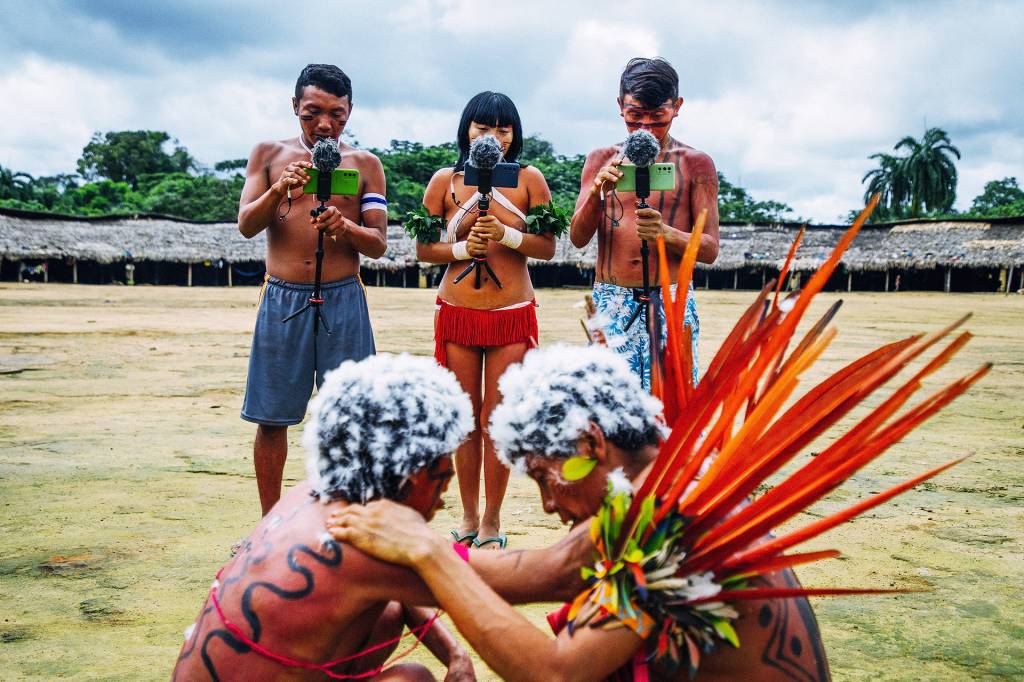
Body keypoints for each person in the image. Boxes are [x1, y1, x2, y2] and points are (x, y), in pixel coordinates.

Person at [328, 346, 830, 681]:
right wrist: (398, 549)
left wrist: (428, 552)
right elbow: (547, 570)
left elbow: (558, 673)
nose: (548, 504)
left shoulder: (665, 524)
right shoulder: (663, 486)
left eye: (546, 478)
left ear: (590, 442)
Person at [175, 352, 598, 681]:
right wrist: (634, 496)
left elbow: (392, 582)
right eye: (443, 481)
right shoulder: (355, 543)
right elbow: (556, 574)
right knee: (411, 679)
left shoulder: (315, 496)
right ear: (415, 476)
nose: (440, 504)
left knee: (398, 631)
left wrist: (454, 653)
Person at [402, 91, 565, 550]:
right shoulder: (444, 181)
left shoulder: (531, 180)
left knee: (497, 417)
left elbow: (549, 246)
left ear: (514, 135)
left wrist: (509, 235)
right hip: (458, 315)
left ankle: (493, 520)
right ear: (465, 130)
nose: (491, 136)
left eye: (502, 129)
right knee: (465, 418)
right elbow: (422, 249)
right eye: (482, 127)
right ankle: (470, 516)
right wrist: (461, 250)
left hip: (512, 315)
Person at [237, 64, 388, 515]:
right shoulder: (268, 154)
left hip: (344, 295)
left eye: (337, 115)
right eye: (312, 113)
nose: (325, 124)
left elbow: (378, 244)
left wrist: (345, 226)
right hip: (283, 295)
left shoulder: (365, 165)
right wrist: (279, 189)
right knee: (272, 416)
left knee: (353, 416)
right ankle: (270, 524)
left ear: (350, 111)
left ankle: (347, 519)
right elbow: (247, 225)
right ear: (294, 107)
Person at [570, 57, 720, 389]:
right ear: (619, 106)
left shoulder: (695, 164)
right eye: (635, 117)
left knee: (670, 409)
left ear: (677, 107)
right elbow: (578, 238)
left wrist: (666, 233)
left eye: (657, 118)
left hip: (671, 297)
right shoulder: (600, 159)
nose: (645, 130)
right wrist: (597, 192)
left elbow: (709, 250)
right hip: (611, 297)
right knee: (607, 406)